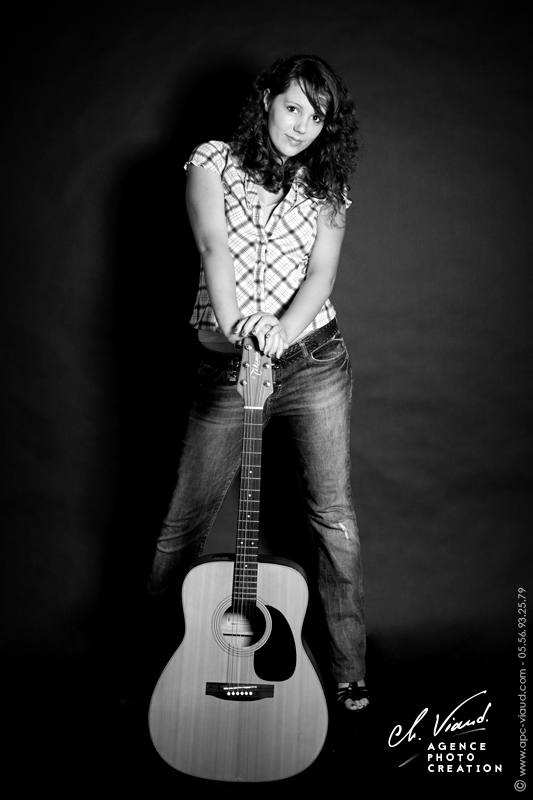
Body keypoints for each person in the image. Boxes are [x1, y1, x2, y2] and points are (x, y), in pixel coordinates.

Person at [147, 54, 368, 713]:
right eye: (292, 106)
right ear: (266, 100)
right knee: (181, 525)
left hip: (313, 361)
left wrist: (279, 328)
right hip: (228, 363)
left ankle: (349, 675)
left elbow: (321, 278)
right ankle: (156, 670)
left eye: (316, 115)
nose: (301, 125)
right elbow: (213, 247)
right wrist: (244, 323)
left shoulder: (328, 185)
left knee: (332, 520)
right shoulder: (211, 161)